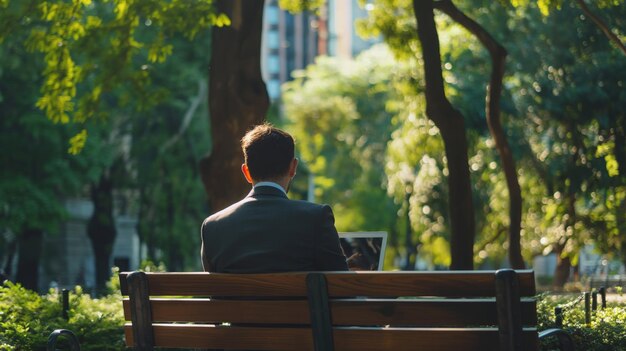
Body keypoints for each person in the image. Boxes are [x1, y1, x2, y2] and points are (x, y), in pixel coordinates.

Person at [200, 123, 348, 273]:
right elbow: (342, 286)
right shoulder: (316, 218)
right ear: (293, 167)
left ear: (246, 172)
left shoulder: (212, 227)